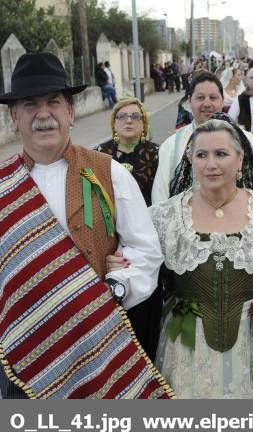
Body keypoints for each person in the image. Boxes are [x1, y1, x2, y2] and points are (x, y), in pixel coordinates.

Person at [0, 53, 171, 399]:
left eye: (54, 102)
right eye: (30, 104)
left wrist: (118, 287)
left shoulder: (109, 172)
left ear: (71, 112)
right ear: (14, 117)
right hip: (23, 361)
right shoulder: (4, 184)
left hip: (98, 349)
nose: (43, 114)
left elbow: (145, 250)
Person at [151, 119, 253, 398]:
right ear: (190, 160)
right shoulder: (165, 217)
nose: (211, 164)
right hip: (187, 345)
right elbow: (147, 280)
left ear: (240, 159)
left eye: (221, 154)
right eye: (202, 155)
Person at [95, 98, 163, 361]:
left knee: (146, 305)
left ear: (144, 123)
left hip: (147, 240)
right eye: (122, 116)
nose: (129, 121)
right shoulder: (100, 155)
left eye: (135, 117)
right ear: (114, 122)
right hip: (111, 243)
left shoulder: (155, 153)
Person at [151, 71, 253, 204]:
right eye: (200, 98)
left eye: (213, 98)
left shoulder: (246, 140)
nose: (207, 104)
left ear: (222, 100)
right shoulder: (171, 145)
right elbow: (160, 193)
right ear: (190, 101)